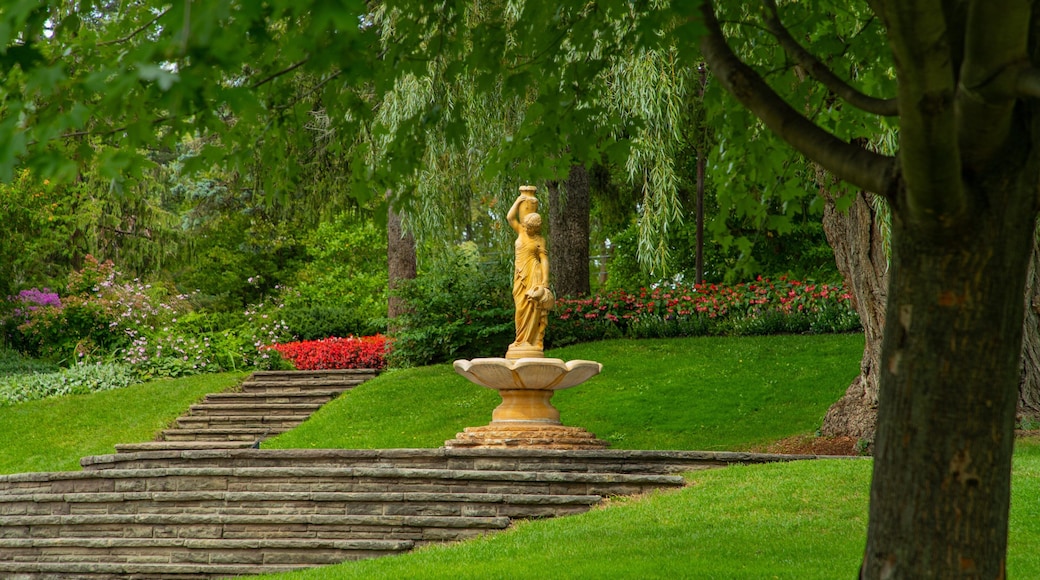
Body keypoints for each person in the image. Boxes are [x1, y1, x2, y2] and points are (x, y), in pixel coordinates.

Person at [506, 187, 553, 358]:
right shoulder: (520, 231)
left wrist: (545, 283)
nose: (525, 227)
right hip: (520, 274)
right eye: (525, 225)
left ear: (535, 228)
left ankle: (530, 341)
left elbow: (544, 260)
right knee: (520, 308)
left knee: (533, 307)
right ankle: (520, 339)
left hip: (534, 273)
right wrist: (519, 200)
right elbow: (510, 217)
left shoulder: (540, 240)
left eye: (529, 227)